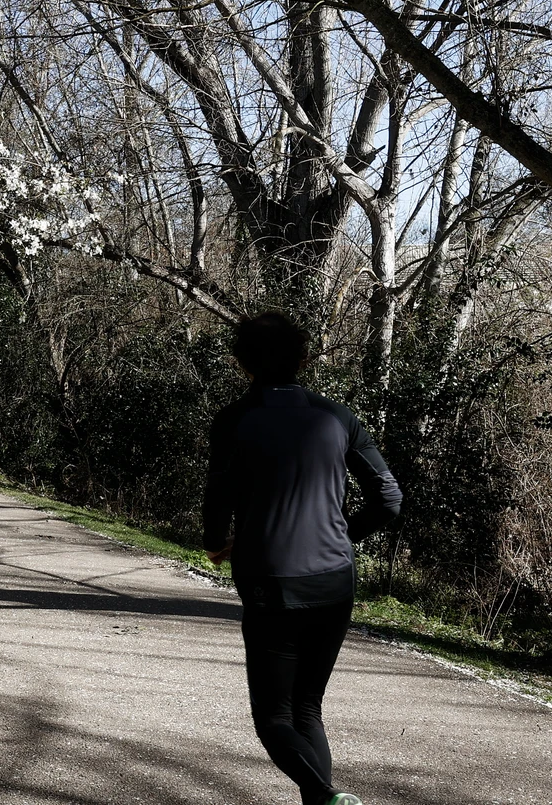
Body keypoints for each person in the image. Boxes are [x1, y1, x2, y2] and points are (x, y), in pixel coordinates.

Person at [203, 311, 401, 805]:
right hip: (334, 580)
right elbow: (389, 498)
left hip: (270, 580)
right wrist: (341, 535)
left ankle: (328, 796)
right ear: (304, 358)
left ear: (241, 362)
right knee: (308, 710)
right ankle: (326, 803)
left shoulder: (234, 420)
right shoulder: (339, 418)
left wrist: (216, 541)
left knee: (274, 718)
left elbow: (217, 500)